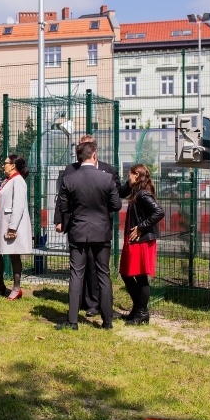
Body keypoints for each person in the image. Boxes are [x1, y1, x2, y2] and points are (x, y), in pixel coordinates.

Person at [54, 134, 123, 317]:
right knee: (104, 274)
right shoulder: (105, 179)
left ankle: (73, 320)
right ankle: (107, 321)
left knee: (76, 274)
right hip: (101, 230)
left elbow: (64, 204)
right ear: (93, 154)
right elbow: (116, 205)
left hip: (78, 229)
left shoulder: (71, 179)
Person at [119, 164, 164, 325]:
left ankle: (142, 312)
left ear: (137, 175)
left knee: (139, 276)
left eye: (130, 175)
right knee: (127, 273)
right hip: (136, 240)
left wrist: (141, 227)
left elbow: (159, 212)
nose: (127, 178)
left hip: (141, 241)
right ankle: (138, 309)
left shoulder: (143, 194)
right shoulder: (137, 192)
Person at [0, 155, 33, 300]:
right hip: (2, 223)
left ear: (13, 165)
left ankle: (16, 288)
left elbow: (19, 206)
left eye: (5, 163)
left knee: (14, 255)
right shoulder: (8, 180)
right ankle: (0, 284)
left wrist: (12, 228)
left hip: (11, 225)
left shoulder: (18, 181)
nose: (3, 166)